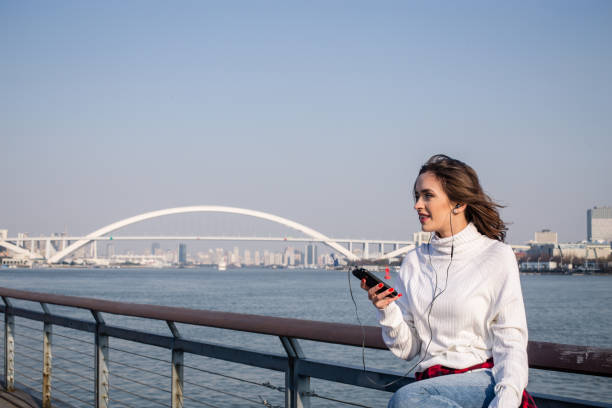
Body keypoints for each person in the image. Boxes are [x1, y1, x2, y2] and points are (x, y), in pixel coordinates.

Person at [361, 154, 536, 408]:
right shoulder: (414, 262)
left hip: (481, 381)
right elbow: (408, 349)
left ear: (459, 202)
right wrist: (387, 310)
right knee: (409, 399)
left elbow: (511, 342)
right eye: (416, 196)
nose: (417, 205)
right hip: (428, 386)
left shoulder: (496, 256)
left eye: (427, 195)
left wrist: (506, 401)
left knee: (406, 399)